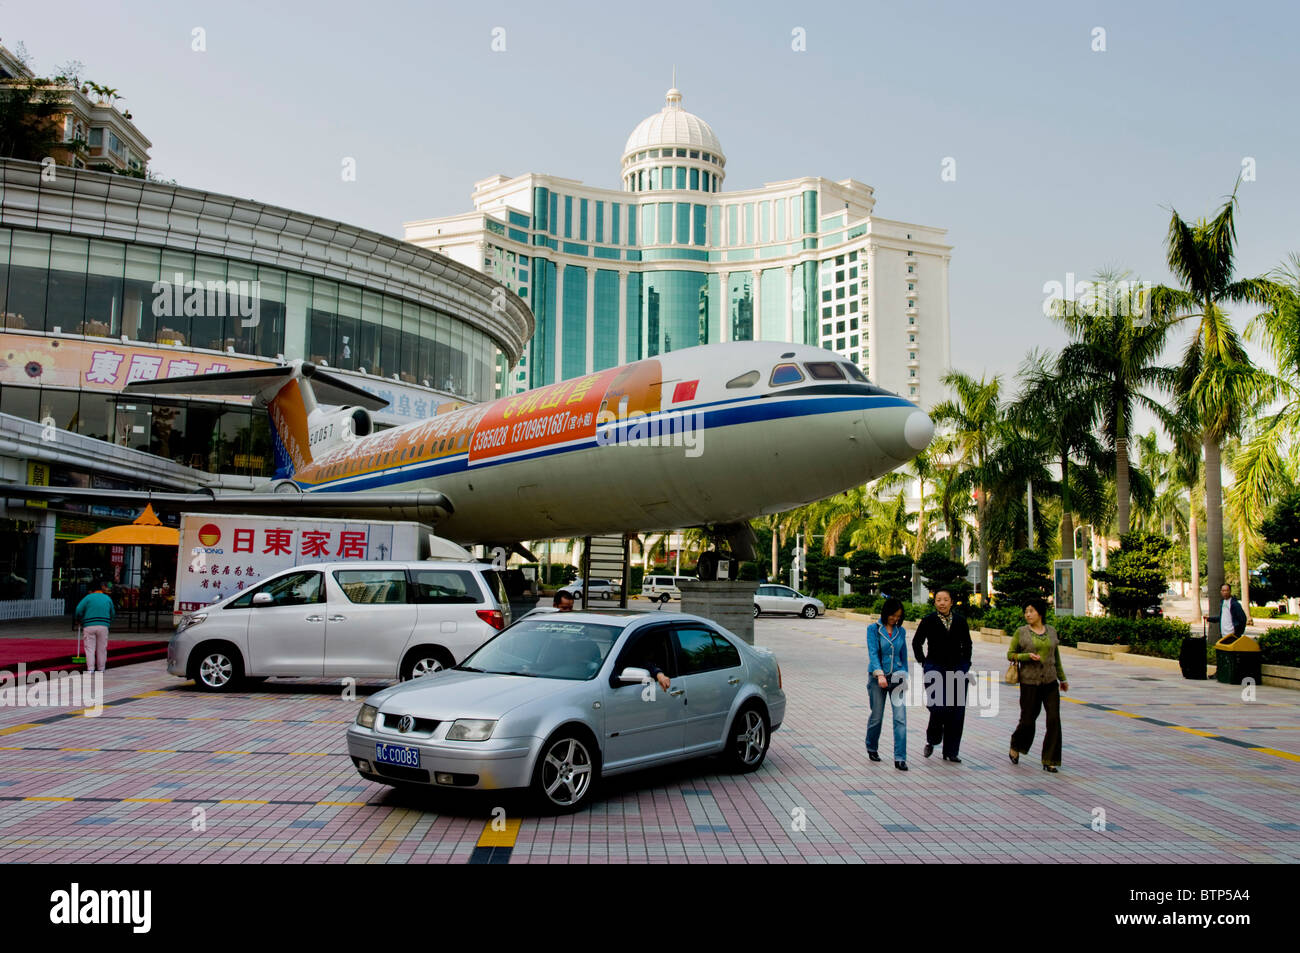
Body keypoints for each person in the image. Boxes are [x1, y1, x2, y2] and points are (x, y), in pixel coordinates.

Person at [1007, 597, 1069, 772]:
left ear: (1040, 613)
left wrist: (1062, 679)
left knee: (1054, 720)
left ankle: (1050, 759)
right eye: (1026, 612)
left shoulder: (1051, 631)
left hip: (1050, 682)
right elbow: (1010, 654)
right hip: (1029, 682)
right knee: (1028, 720)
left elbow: (1055, 657)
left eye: (1031, 611)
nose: (1028, 614)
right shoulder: (1021, 632)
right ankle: (1016, 745)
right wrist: (1027, 657)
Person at [912, 588, 973, 763]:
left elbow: (967, 645)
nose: (942, 603)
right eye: (938, 599)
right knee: (939, 705)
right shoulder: (929, 620)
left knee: (956, 712)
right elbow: (917, 642)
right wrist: (923, 662)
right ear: (935, 602)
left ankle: (951, 752)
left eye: (945, 599)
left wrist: (965, 665)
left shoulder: (960, 621)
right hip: (934, 668)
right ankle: (933, 739)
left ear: (951, 602)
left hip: (957, 670)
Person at [866, 598, 909, 771]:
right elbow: (873, 653)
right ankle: (871, 746)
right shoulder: (873, 629)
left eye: (898, 617)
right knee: (877, 716)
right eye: (892, 616)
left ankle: (900, 758)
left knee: (900, 718)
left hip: (897, 677)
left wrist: (905, 674)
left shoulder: (901, 631)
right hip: (878, 679)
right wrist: (880, 674)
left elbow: (903, 654)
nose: (895, 619)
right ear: (886, 613)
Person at [75, 579, 116, 674]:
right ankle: (101, 668)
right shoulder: (107, 598)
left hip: (89, 625)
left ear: (90, 590)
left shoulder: (88, 598)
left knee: (90, 647)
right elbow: (112, 612)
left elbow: (78, 609)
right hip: (103, 625)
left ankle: (90, 669)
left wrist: (78, 619)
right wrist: (109, 621)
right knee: (102, 648)